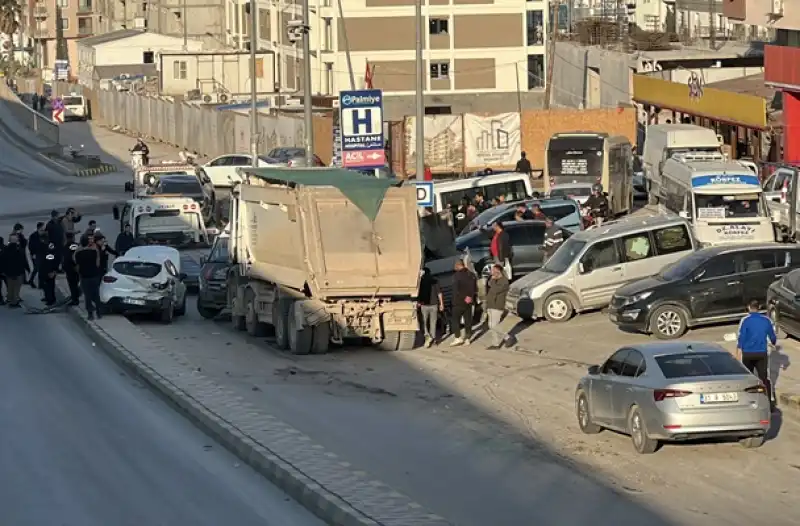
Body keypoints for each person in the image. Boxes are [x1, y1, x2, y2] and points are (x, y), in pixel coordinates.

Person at [737, 300, 777, 411]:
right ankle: (769, 402)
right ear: (759, 308)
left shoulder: (745, 321)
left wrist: (739, 352)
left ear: (749, 308)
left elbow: (741, 338)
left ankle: (748, 402)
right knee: (764, 378)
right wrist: (772, 343)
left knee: (747, 378)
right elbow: (772, 336)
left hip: (748, 354)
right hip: (761, 353)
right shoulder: (766, 320)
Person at [75, 236, 104, 320]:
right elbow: (98, 264)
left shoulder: (78, 253)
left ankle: (90, 314)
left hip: (84, 277)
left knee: (87, 296)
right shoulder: (94, 251)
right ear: (88, 243)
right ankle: (99, 312)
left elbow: (77, 266)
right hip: (94, 276)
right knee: (96, 294)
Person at [484, 264, 513, 350]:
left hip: (497, 305)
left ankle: (507, 337)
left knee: (493, 325)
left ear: (498, 271)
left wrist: (492, 281)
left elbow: (495, 290)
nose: (491, 273)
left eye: (493, 271)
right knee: (491, 325)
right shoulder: (493, 279)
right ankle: (495, 343)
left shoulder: (504, 281)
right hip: (490, 304)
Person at [450, 260, 477, 346]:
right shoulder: (471, 275)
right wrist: (470, 297)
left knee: (455, 320)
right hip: (469, 302)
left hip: (458, 302)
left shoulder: (456, 276)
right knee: (468, 320)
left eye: (455, 265)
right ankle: (468, 338)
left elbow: (456, 290)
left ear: (458, 265)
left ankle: (458, 337)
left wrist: (464, 297)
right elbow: (475, 288)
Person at [418, 268, 444, 347]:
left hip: (424, 305)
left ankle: (427, 336)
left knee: (424, 322)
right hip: (434, 305)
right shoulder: (435, 280)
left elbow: (418, 293)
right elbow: (439, 293)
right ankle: (432, 338)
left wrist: (418, 302)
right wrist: (441, 304)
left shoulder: (420, 281)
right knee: (433, 322)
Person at [2, 233, 29, 308]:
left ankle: (9, 298)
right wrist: (26, 269)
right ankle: (14, 302)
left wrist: (3, 270)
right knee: (16, 287)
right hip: (18, 272)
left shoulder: (5, 250)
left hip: (9, 272)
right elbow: (22, 261)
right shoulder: (19, 250)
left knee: (10, 286)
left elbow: (3, 261)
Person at [39, 236, 59, 306]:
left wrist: (53, 271)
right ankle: (48, 298)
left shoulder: (49, 247)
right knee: (46, 286)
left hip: (48, 270)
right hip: (45, 269)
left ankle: (51, 300)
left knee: (49, 286)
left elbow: (52, 260)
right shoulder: (44, 246)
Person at [63, 231, 81, 305]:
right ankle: (75, 298)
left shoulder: (66, 246)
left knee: (72, 285)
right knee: (75, 284)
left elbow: (68, 258)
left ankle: (75, 299)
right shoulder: (76, 245)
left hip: (70, 268)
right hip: (74, 268)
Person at [28, 222, 45, 287]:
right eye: (43, 227)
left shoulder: (44, 235)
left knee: (40, 269)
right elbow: (30, 246)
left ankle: (38, 283)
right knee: (37, 268)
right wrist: (33, 253)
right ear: (39, 228)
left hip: (42, 253)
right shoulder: (33, 236)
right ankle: (33, 281)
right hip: (36, 254)